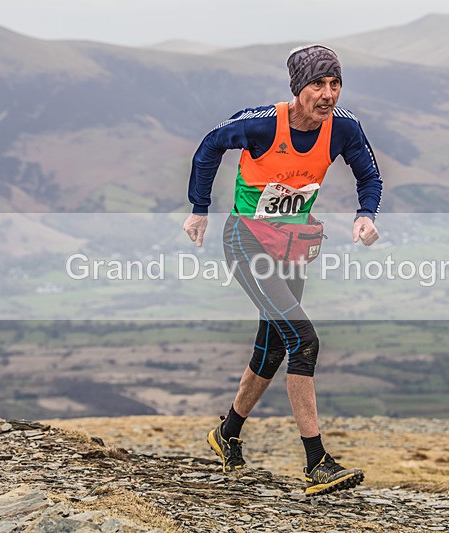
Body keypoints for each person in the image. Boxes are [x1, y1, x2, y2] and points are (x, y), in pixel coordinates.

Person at [183, 44, 382, 496]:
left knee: (273, 347)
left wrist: (365, 214)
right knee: (303, 340)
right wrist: (199, 209)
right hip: (246, 241)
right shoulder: (260, 124)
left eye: (335, 84)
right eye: (318, 84)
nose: (328, 93)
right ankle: (317, 462)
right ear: (298, 89)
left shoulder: (343, 129)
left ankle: (226, 434)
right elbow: (209, 147)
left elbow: (370, 176)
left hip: (293, 246)